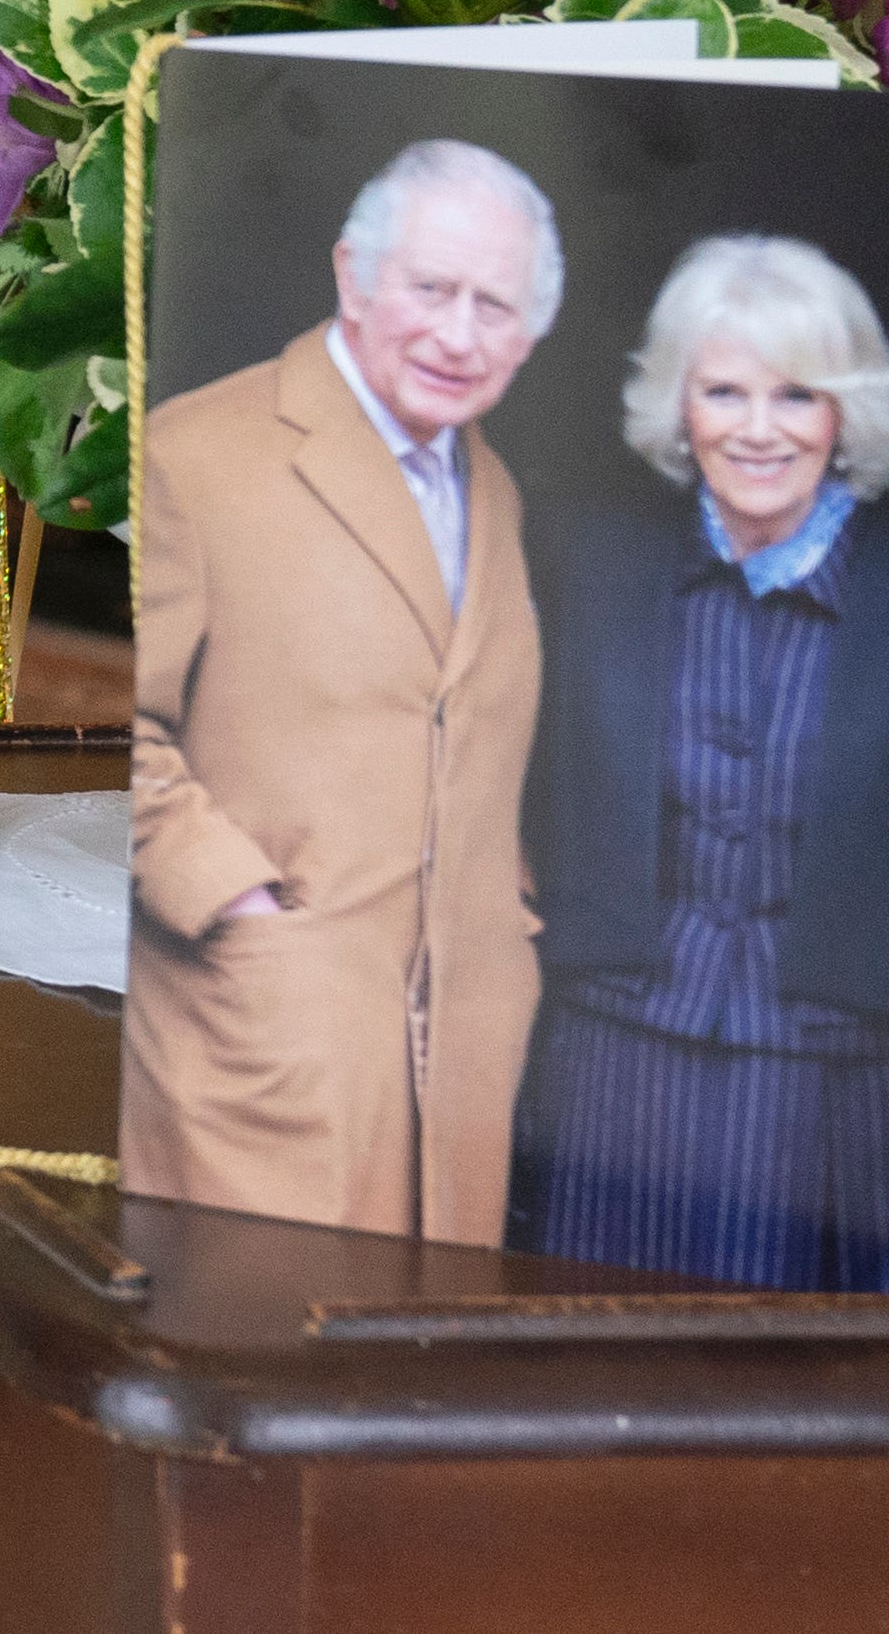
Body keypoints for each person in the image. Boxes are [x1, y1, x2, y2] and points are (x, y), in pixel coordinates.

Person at [511, 234, 889, 1290]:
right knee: (582, 1386)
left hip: (849, 1093)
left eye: (796, 394)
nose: (758, 429)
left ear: (846, 413)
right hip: (609, 1066)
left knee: (804, 1408)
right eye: (722, 391)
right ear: (678, 406)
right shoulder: (580, 560)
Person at [123, 135, 558, 1244]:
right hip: (263, 1021)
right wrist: (238, 904)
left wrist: (505, 918)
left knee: (406, 1372)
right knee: (251, 1352)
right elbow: (120, 723)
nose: (459, 335)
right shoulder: (195, 451)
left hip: (457, 1049)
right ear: (351, 275)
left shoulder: (490, 484)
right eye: (430, 288)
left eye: (496, 306)